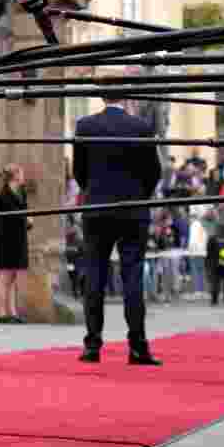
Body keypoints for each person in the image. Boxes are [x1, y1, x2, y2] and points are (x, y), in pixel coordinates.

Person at [73, 95, 162, 365]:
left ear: (103, 97)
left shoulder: (85, 126)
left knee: (95, 275)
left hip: (97, 210)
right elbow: (153, 172)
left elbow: (79, 171)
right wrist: (139, 197)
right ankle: (137, 346)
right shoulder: (141, 127)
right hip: (132, 210)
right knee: (132, 276)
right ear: (126, 98)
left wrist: (93, 193)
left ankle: (92, 345)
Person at [0, 164, 30, 324]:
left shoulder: (21, 192)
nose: (23, 175)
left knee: (13, 276)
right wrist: (25, 220)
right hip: (7, 239)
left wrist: (27, 221)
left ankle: (13, 312)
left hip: (19, 238)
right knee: (5, 275)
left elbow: (22, 213)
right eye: (21, 172)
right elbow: (11, 218)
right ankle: (1, 313)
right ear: (15, 175)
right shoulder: (4, 194)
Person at [206, 218, 224, 307]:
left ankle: (214, 301)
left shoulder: (212, 238)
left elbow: (209, 252)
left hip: (216, 263)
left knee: (215, 282)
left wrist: (208, 264)